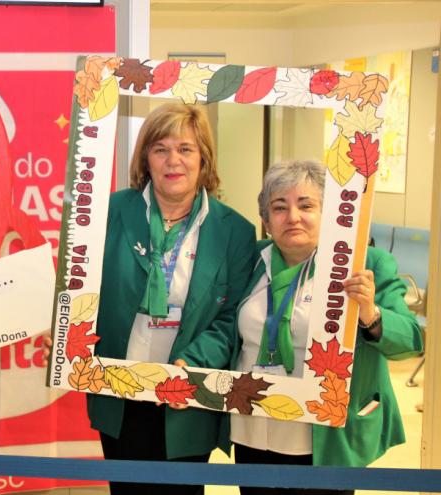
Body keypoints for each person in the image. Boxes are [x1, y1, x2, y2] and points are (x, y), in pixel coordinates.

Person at [86, 103, 256, 494]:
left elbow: (233, 318)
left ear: (204, 159)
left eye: (185, 148)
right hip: (119, 390)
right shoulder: (107, 213)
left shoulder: (235, 231)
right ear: (146, 157)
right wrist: (67, 329)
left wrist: (192, 363)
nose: (172, 160)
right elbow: (82, 290)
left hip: (188, 393)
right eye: (160, 148)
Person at [229, 160, 423, 495]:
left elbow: (410, 339)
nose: (293, 217)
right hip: (253, 426)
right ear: (265, 220)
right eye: (279, 207)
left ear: (330, 214)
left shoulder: (365, 263)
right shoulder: (250, 261)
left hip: (324, 433)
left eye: (306, 205)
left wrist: (369, 313)